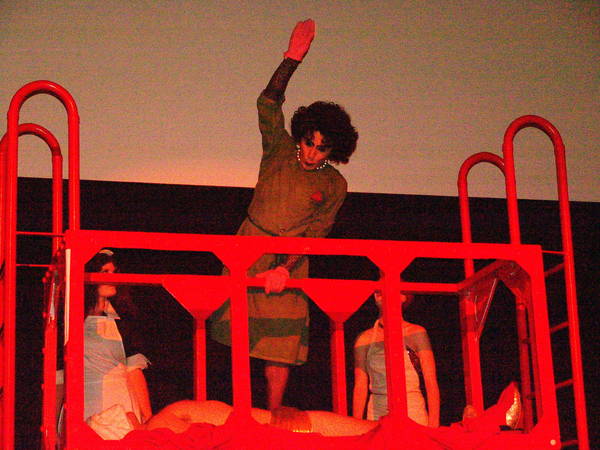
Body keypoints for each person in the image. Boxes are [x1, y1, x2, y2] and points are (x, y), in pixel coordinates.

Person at [210, 19, 359, 410]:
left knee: (281, 343)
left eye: (321, 148)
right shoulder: (279, 148)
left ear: (334, 150)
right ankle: (241, 414)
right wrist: (291, 60)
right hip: (249, 246)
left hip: (290, 260)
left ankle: (274, 415)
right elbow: (268, 103)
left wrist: (285, 269)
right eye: (309, 142)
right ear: (302, 135)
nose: (311, 152)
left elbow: (316, 234)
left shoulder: (335, 184)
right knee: (238, 334)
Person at [95, 383, 523, 449]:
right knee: (385, 435)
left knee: (383, 433)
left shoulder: (165, 422)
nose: (127, 411)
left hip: (276, 427)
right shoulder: (154, 431)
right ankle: (480, 429)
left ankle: (473, 429)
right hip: (277, 433)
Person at [57, 249, 152, 438]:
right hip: (83, 402)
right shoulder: (68, 321)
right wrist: (52, 425)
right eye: (105, 272)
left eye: (114, 272)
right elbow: (59, 376)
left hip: (121, 403)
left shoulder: (123, 320)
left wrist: (148, 418)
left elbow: (134, 370)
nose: (111, 278)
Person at [353, 291, 440, 427]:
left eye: (386, 290)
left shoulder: (416, 333)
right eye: (378, 291)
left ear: (404, 297)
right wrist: (355, 426)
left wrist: (434, 425)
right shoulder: (364, 339)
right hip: (376, 411)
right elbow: (360, 386)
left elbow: (430, 381)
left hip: (412, 409)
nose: (381, 294)